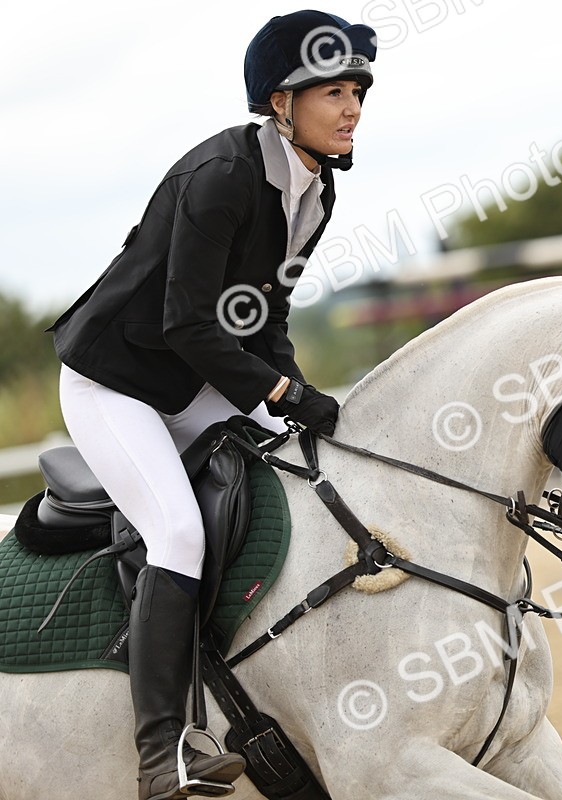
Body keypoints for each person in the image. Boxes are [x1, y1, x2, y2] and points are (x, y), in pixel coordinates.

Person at [45, 11, 378, 800]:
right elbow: (187, 323)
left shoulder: (315, 190)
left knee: (304, 474)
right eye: (333, 92)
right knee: (179, 531)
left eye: (358, 92)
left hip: (193, 378)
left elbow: (267, 317)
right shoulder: (223, 175)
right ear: (280, 103)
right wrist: (279, 391)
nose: (353, 109)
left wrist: (296, 395)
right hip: (116, 383)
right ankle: (163, 756)